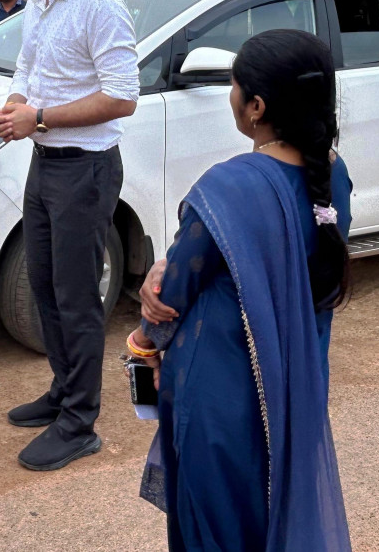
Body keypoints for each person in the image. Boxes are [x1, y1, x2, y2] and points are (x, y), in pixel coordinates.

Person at [129, 29, 353, 552]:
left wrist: (142, 344)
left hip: (220, 395)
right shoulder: (333, 176)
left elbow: (172, 293)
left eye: (233, 86)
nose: (230, 96)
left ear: (255, 105)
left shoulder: (228, 188)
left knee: (219, 524)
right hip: (294, 386)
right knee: (270, 511)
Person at [0, 0, 139, 472]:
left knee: (77, 295)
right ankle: (62, 390)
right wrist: (15, 103)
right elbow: (27, 68)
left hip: (87, 167)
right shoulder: (39, 1)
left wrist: (41, 117)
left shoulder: (100, 5)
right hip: (46, 162)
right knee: (43, 282)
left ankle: (81, 422)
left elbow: (123, 95)